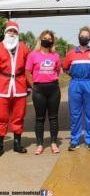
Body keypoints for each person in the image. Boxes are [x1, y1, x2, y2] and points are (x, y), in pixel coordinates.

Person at [63, 26, 90, 151]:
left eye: (86, 36)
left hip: (89, 84)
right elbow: (64, 68)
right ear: (78, 36)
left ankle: (89, 140)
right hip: (75, 84)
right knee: (75, 114)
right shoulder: (71, 53)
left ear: (89, 38)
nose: (84, 37)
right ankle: (74, 140)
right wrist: (73, 75)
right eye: (82, 35)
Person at [26, 30, 62, 155]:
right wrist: (34, 86)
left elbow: (58, 71)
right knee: (39, 118)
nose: (47, 40)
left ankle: (53, 143)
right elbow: (27, 72)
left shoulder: (55, 56)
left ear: (52, 41)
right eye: (45, 38)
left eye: (49, 38)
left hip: (53, 90)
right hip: (39, 90)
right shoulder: (33, 55)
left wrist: (50, 79)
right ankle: (40, 144)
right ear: (40, 39)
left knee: (53, 118)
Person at [0, 21, 30, 156]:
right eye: (10, 31)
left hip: (20, 86)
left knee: (18, 116)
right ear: (6, 32)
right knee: (1, 117)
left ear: (18, 34)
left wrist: (29, 86)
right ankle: (0, 145)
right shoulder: (0, 47)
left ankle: (17, 144)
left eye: (15, 31)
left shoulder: (23, 48)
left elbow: (28, 69)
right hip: (3, 87)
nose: (12, 34)